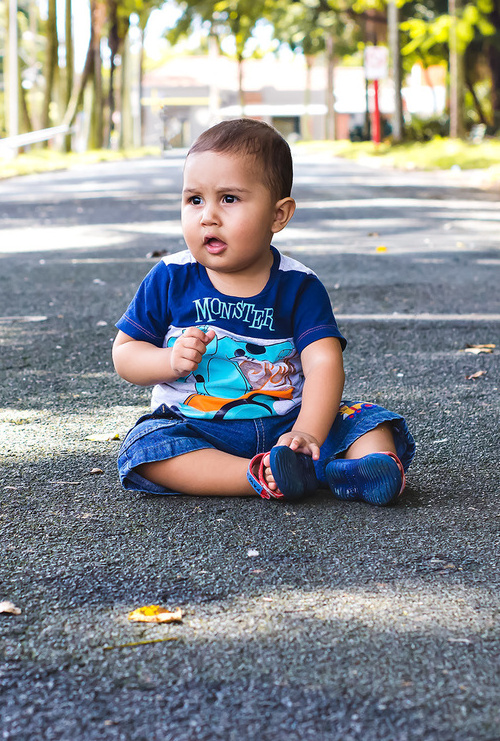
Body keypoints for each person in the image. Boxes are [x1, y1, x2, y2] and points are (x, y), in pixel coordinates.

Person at [111, 118, 415, 505]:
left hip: (289, 422)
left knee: (367, 420)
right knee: (147, 447)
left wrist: (307, 432)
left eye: (229, 199)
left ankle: (363, 469)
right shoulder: (170, 277)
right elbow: (125, 354)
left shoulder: (299, 285)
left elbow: (324, 364)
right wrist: (168, 360)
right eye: (195, 200)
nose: (208, 216)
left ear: (278, 215)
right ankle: (255, 475)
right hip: (198, 427)